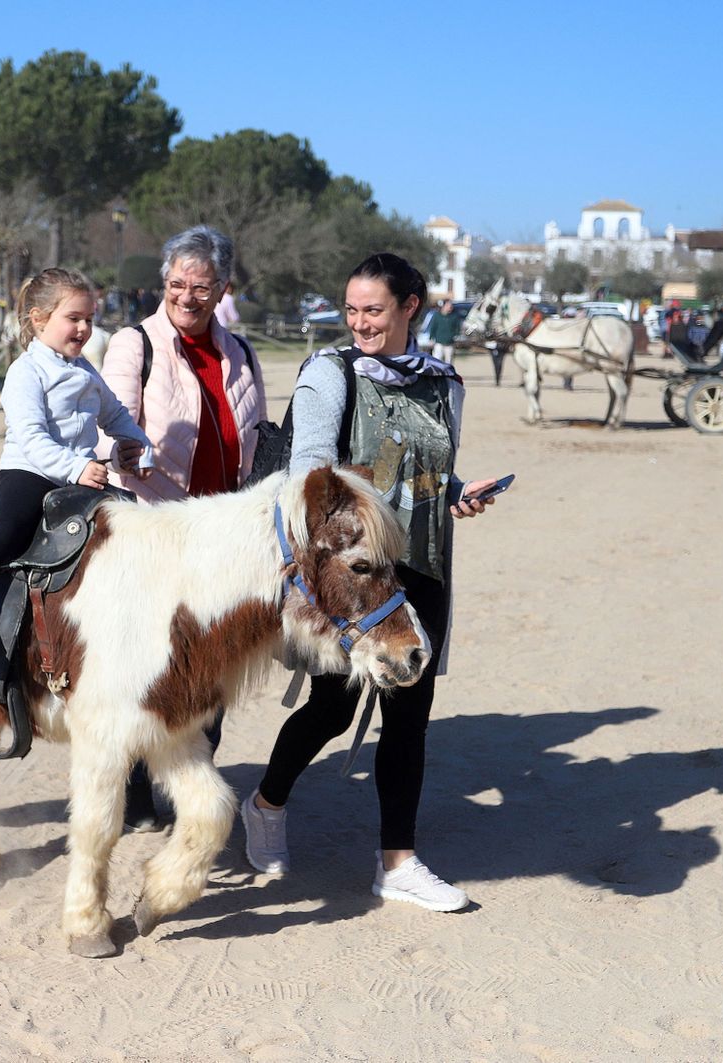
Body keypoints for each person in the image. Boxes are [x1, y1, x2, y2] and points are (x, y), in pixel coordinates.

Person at [240, 251, 504, 913]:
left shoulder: (446, 382)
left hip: (423, 565)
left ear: (411, 306)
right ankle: (266, 804)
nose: (359, 321)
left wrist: (453, 492)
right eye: (352, 308)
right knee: (329, 708)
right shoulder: (332, 374)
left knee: (409, 718)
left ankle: (399, 863)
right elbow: (309, 477)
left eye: (373, 310)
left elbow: (424, 471)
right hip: (353, 573)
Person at [100, 225, 268, 829]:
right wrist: (124, 450)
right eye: (176, 284)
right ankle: (139, 791)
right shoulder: (133, 344)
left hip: (223, 532)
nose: (187, 297)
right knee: (152, 660)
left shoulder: (242, 355)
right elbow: (113, 417)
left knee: (215, 656)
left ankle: (191, 765)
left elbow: (258, 441)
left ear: (221, 288)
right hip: (157, 527)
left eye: (200, 286)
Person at [0, 268, 154, 642]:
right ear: (39, 319)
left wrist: (137, 444)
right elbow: (31, 437)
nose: (83, 328)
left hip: (79, 476)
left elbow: (115, 415)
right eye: (73, 318)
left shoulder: (86, 371)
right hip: (30, 472)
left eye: (89, 319)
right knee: (8, 531)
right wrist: (76, 466)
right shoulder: (25, 372)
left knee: (127, 522)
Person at [427, 297, 460, 363]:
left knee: (449, 362)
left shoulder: (454, 316)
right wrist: (431, 338)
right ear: (443, 306)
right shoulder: (437, 316)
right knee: (437, 361)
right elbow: (433, 327)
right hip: (439, 343)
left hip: (449, 343)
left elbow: (457, 328)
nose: (450, 307)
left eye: (451, 305)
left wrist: (455, 337)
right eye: (448, 305)